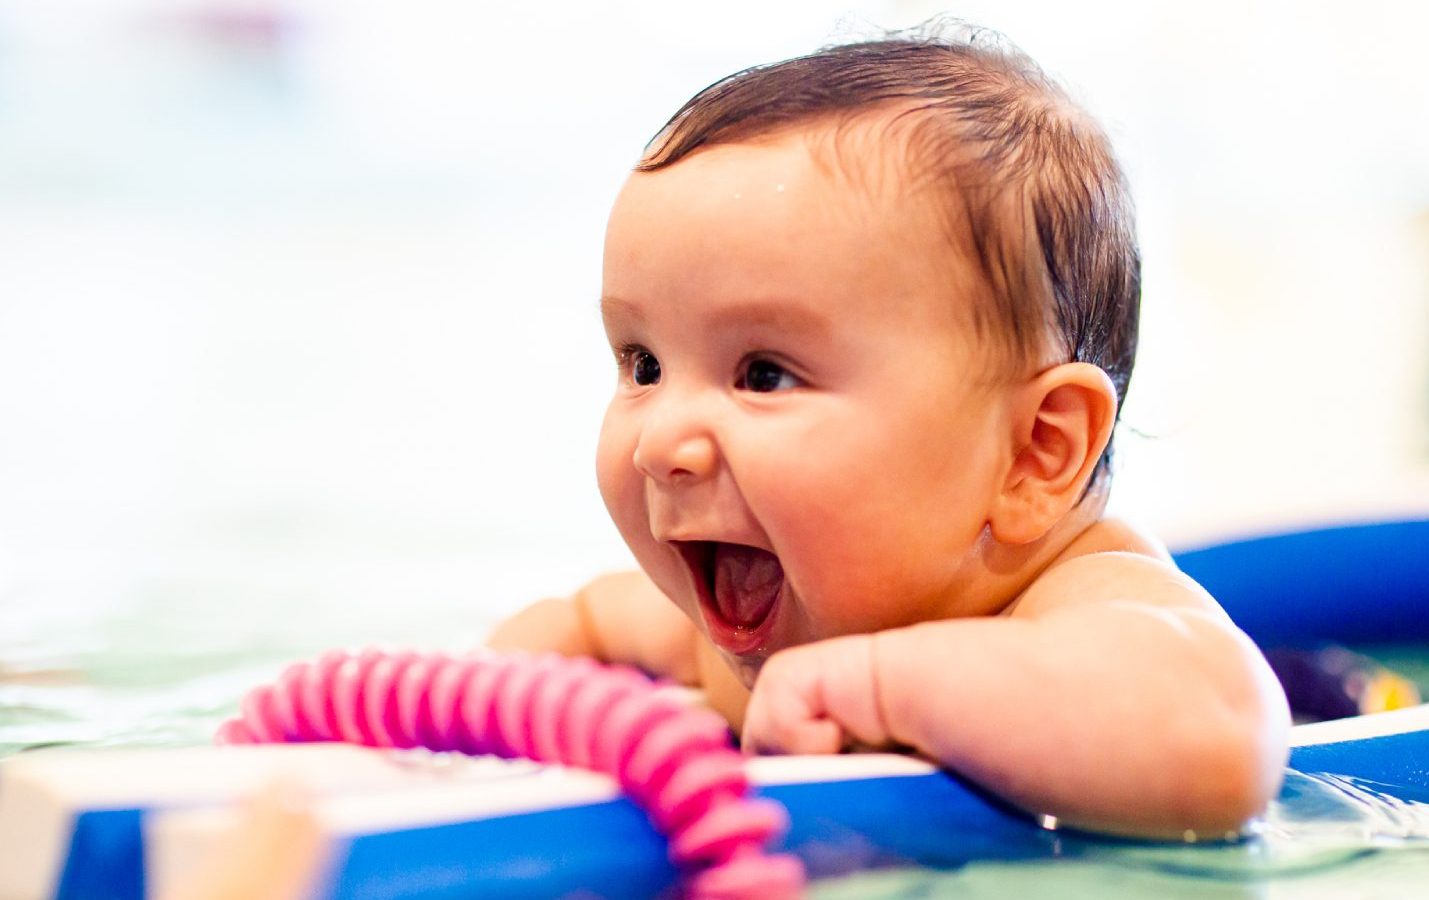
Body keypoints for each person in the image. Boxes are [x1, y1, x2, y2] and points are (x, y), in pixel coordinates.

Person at [489, 24, 1290, 840]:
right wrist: (483, 702)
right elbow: (580, 623)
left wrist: (879, 688)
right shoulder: (739, 631)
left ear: (1034, 454)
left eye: (763, 373)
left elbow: (1224, 741)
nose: (660, 443)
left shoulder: (1085, 607)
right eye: (644, 364)